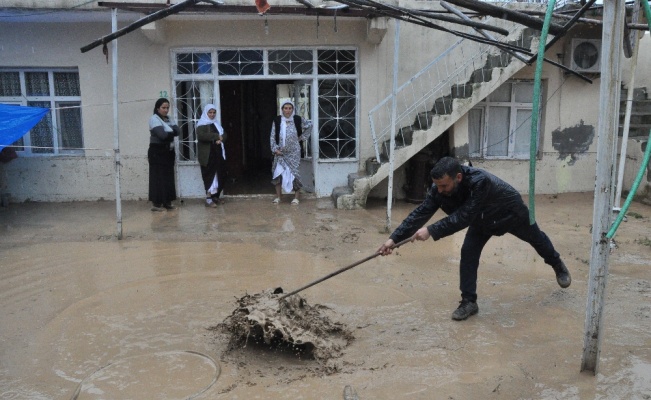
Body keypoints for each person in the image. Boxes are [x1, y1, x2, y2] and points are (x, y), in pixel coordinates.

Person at [377, 157, 571, 321]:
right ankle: (469, 302)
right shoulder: (439, 190)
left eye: (444, 185)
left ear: (458, 177)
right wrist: (393, 240)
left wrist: (431, 230)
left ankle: (557, 264)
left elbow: (463, 217)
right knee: (468, 253)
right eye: (437, 186)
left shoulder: (480, 182)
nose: (441, 190)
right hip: (481, 220)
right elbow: (421, 212)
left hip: (510, 213)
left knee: (537, 239)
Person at [270, 100, 312, 205]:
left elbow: (310, 125)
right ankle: (279, 197)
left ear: (293, 109)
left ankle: (296, 197)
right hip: (280, 152)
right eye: (285, 108)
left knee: (294, 174)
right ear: (282, 109)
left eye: (290, 108)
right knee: (277, 173)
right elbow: (272, 136)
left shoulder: (297, 119)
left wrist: (302, 138)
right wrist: (275, 149)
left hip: (294, 152)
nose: (288, 111)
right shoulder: (277, 120)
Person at [148, 98, 180, 212]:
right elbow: (162, 135)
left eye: (167, 108)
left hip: (168, 152)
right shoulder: (154, 119)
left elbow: (178, 131)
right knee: (157, 177)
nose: (166, 110)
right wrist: (171, 132)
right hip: (157, 152)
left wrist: (169, 132)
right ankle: (156, 204)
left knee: (168, 177)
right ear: (157, 108)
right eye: (163, 108)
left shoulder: (169, 118)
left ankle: (167, 202)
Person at [196, 104, 227, 207]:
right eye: (210, 112)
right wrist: (216, 136)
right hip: (208, 155)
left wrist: (221, 138)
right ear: (206, 113)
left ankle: (215, 196)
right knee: (210, 176)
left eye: (214, 112)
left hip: (217, 153)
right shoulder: (201, 125)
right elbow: (202, 136)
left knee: (219, 174)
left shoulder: (216, 123)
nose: (212, 115)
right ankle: (208, 198)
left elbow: (224, 135)